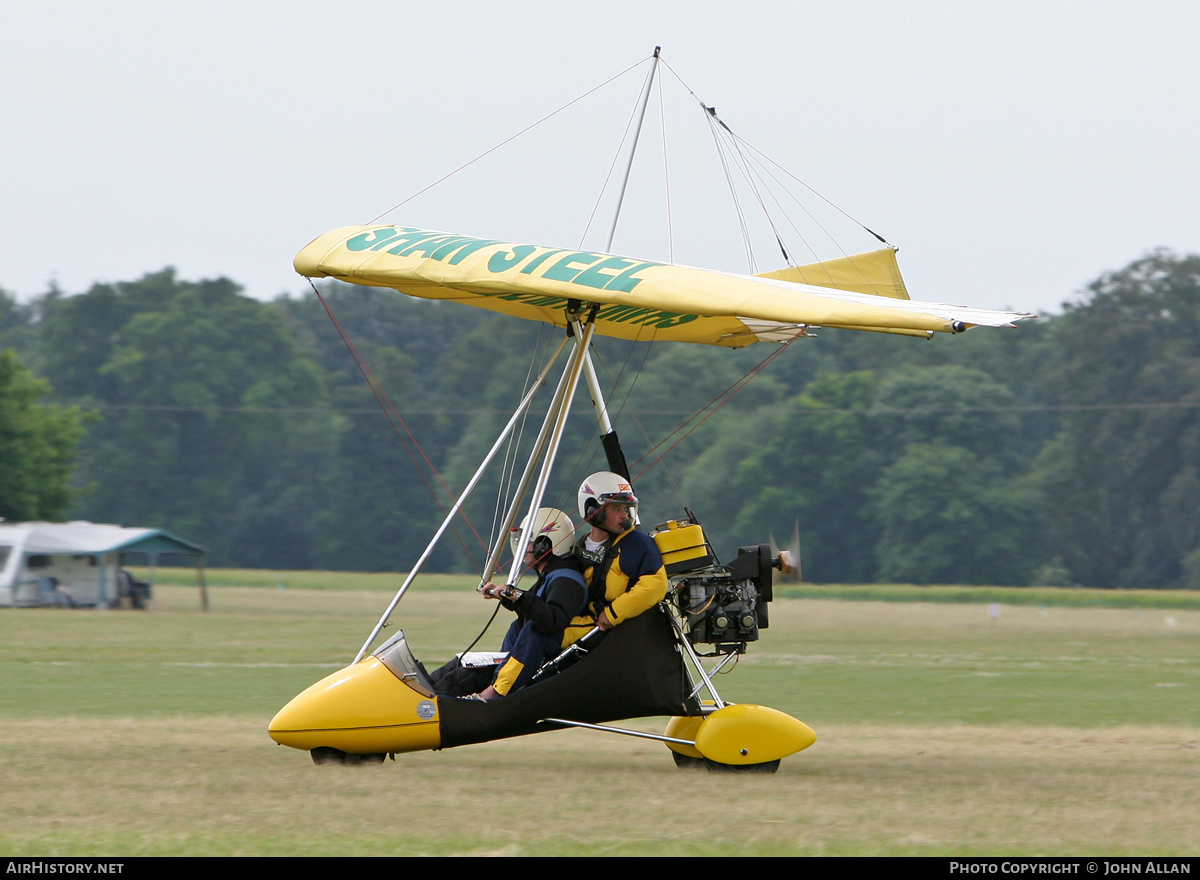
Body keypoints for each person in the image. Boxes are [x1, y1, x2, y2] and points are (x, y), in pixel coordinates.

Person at [442, 507, 588, 701]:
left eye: (528, 541)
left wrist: (518, 596)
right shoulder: (552, 574)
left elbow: (553, 620)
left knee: (462, 678)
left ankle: (483, 696)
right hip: (517, 662)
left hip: (543, 657)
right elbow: (533, 607)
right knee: (460, 664)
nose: (522, 547)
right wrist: (505, 597)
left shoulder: (566, 579)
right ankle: (420, 688)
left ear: (544, 545)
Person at [562, 472, 668, 646]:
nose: (624, 516)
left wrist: (613, 613)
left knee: (539, 639)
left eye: (626, 509)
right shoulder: (578, 548)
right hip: (582, 625)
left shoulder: (636, 543)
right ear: (593, 510)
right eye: (617, 509)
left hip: (613, 633)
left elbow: (656, 584)